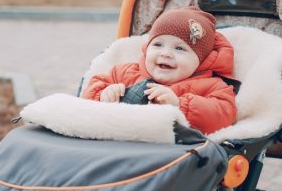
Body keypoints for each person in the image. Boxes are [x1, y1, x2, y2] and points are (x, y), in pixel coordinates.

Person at [83, 7, 236, 134]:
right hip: (115, 137)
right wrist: (103, 94)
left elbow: (224, 114)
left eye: (179, 48)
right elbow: (89, 95)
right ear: (146, 48)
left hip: (166, 151)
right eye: (158, 45)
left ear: (201, 60)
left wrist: (179, 105)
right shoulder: (124, 72)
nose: (165, 53)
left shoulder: (211, 86)